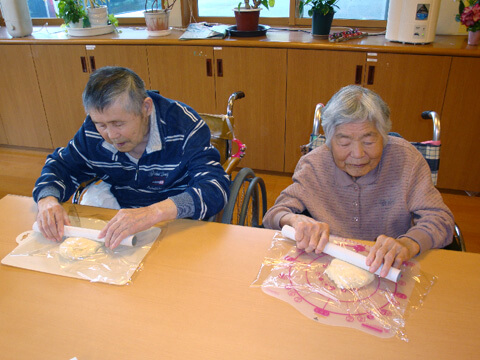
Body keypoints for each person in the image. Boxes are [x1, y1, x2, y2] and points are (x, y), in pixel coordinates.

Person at [263, 85, 454, 277]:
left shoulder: (407, 160)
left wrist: (408, 243)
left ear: (384, 136)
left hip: (388, 270)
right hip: (326, 269)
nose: (358, 154)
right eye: (344, 143)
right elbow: (274, 214)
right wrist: (295, 220)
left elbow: (441, 220)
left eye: (369, 142)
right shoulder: (314, 165)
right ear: (329, 141)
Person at [33, 66, 230, 249]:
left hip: (176, 222)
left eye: (118, 124)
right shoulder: (92, 131)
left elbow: (214, 187)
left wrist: (154, 212)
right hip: (122, 220)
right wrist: (47, 199)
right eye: (101, 125)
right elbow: (60, 165)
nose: (110, 135)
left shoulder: (185, 126)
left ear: (146, 108)